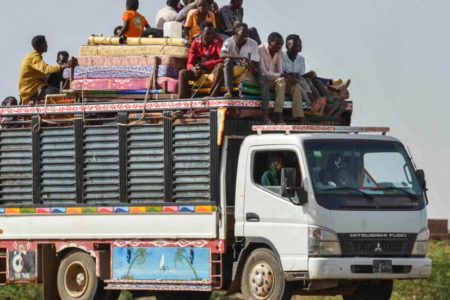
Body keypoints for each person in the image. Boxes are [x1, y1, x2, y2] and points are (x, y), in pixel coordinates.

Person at [259, 33, 305, 124]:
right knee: (281, 81)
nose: (279, 47)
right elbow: (264, 73)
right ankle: (279, 115)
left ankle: (300, 116)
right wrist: (282, 75)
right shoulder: (260, 50)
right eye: (277, 44)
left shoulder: (279, 52)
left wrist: (287, 77)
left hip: (276, 79)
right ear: (269, 42)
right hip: (264, 80)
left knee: (295, 85)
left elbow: (280, 70)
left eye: (281, 45)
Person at [18, 35, 70, 104]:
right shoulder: (34, 57)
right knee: (62, 94)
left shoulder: (33, 56)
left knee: (58, 92)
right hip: (32, 90)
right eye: (45, 43)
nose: (47, 45)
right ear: (40, 45)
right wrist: (65, 65)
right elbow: (47, 69)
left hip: (36, 87)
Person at [179, 22, 224, 98]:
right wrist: (194, 69)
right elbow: (189, 63)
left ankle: (212, 95)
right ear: (201, 33)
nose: (211, 36)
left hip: (213, 68)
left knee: (220, 66)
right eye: (207, 34)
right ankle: (182, 104)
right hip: (200, 70)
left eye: (212, 33)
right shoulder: (196, 43)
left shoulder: (218, 40)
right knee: (183, 73)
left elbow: (222, 59)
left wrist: (206, 65)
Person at [220, 23, 262, 99]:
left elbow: (255, 62)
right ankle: (229, 91)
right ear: (236, 33)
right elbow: (222, 54)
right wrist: (241, 57)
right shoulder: (228, 41)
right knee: (227, 60)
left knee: (261, 77)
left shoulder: (253, 43)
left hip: (246, 66)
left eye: (247, 32)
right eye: (243, 32)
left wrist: (249, 63)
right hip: (234, 63)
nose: (246, 34)